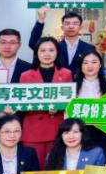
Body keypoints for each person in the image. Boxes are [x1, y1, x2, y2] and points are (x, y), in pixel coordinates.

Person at [19, 36, 74, 167]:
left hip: (57, 128)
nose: (47, 54)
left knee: (55, 168)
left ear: (57, 52)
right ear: (36, 53)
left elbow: (70, 101)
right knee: (33, 168)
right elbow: (21, 103)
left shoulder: (66, 74)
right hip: (32, 131)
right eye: (42, 50)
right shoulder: (26, 75)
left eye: (51, 50)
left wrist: (59, 108)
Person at [29, 7, 94, 75]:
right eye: (67, 23)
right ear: (62, 27)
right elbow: (33, 44)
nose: (71, 26)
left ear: (80, 28)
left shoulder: (89, 48)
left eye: (75, 23)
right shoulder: (55, 47)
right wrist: (41, 20)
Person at [74, 49, 106, 156]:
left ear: (100, 65)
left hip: (104, 133)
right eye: (85, 63)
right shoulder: (72, 88)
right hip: (80, 133)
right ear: (81, 66)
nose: (90, 66)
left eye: (94, 62)